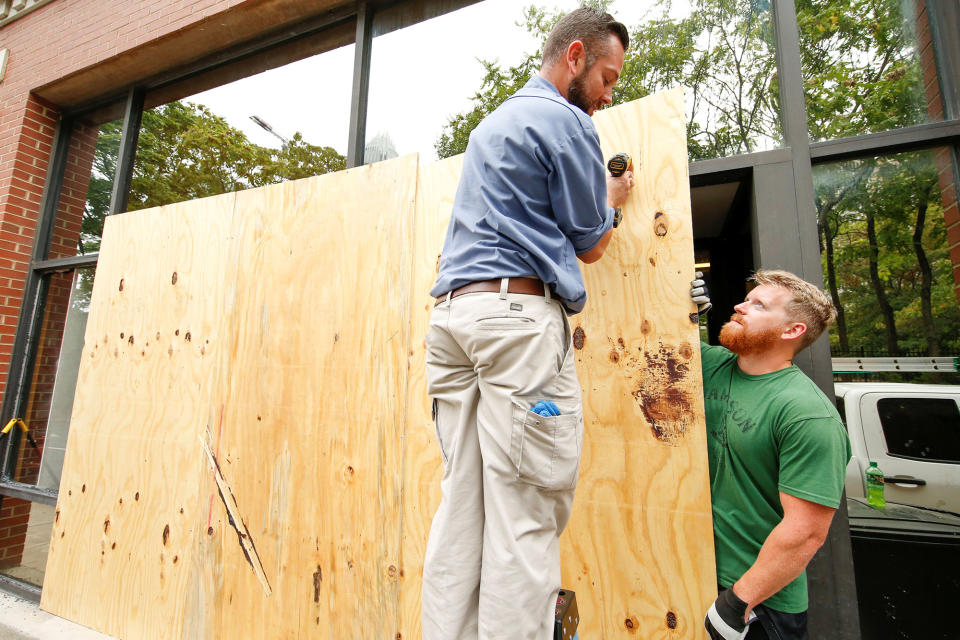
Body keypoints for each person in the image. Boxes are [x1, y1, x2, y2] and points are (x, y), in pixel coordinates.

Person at [422, 7, 632, 639]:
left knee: (462, 504)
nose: (607, 93)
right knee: (525, 510)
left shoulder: (495, 122)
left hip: (455, 322)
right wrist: (612, 202)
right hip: (516, 326)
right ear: (574, 55)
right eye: (606, 76)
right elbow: (591, 242)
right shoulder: (565, 121)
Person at [700, 269, 852, 640]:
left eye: (758, 305)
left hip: (757, 604)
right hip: (696, 567)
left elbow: (806, 531)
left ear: (792, 331)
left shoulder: (806, 413)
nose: (739, 306)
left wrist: (737, 602)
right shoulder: (712, 365)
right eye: (746, 299)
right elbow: (653, 340)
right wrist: (678, 305)